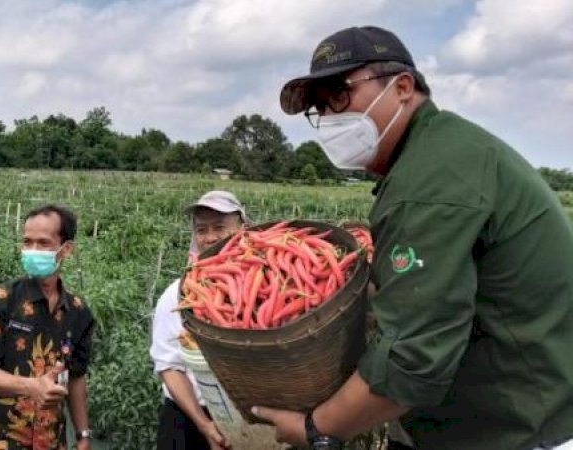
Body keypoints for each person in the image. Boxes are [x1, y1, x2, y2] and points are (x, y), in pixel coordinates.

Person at [252, 25, 573, 450]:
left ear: (402, 87)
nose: (328, 118)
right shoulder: (442, 152)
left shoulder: (429, 182)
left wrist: (318, 428)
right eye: (319, 108)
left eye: (339, 95)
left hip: (511, 431)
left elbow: (414, 360)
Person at [0, 204, 95, 450]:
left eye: (43, 243)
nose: (32, 250)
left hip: (50, 439)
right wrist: (32, 386)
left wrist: (83, 434)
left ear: (65, 249)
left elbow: (77, 376)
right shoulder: (0, 301)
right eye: (27, 242)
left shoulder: (78, 313)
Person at [150, 190, 248, 450]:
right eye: (201, 229)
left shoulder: (263, 288)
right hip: (189, 417)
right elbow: (169, 366)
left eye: (220, 227)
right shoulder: (178, 295)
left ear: (242, 228)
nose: (210, 237)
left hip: (249, 418)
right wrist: (205, 427)